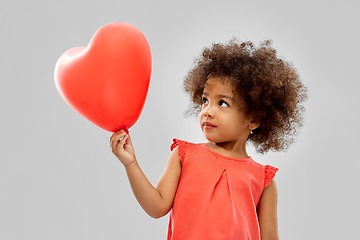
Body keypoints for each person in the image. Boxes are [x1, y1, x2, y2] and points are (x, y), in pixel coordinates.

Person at [110, 40, 307, 240]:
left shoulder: (263, 181)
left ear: (254, 119)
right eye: (205, 100)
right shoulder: (183, 156)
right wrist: (131, 164)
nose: (208, 111)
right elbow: (157, 206)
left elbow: (270, 236)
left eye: (223, 103)